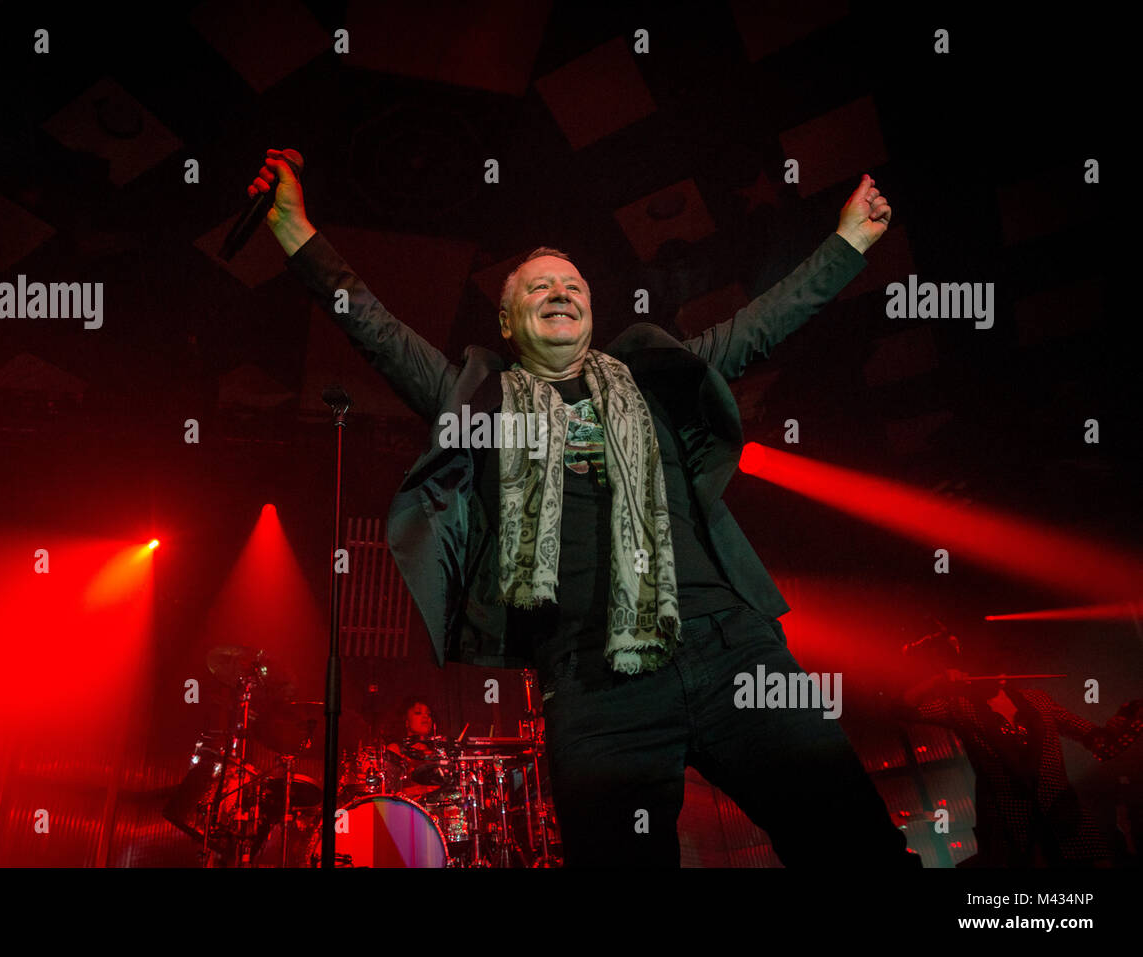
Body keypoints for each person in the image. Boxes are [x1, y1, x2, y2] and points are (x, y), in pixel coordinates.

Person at [253, 147, 916, 867]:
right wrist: (295, 231)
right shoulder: (485, 406)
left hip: (732, 648)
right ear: (507, 324)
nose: (560, 292)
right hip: (594, 689)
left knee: (857, 849)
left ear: (593, 310)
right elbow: (376, 331)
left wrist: (848, 243)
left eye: (572, 284)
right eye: (537, 288)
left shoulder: (655, 381)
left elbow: (761, 323)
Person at [900, 629, 1143, 867]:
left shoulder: (1038, 700)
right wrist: (938, 681)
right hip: (1009, 825)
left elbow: (1097, 740)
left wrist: (1126, 720)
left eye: (999, 661)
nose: (997, 669)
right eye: (987, 663)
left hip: (1063, 816)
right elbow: (902, 709)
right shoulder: (960, 707)